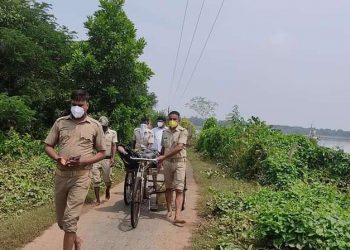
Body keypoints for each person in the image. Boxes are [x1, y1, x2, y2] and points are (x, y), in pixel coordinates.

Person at [44, 89, 106, 250]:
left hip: (81, 176)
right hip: (61, 175)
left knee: (70, 220)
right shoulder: (60, 122)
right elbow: (48, 145)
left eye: (80, 105)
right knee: (61, 222)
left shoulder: (95, 126)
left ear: (87, 106)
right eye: (73, 104)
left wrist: (84, 161)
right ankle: (76, 241)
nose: (76, 107)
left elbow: (102, 152)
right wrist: (58, 157)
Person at [157, 111, 188, 224]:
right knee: (168, 187)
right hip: (167, 163)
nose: (172, 121)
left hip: (179, 162)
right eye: (171, 118)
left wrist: (163, 156)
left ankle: (177, 216)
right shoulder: (165, 132)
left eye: (175, 119)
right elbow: (162, 147)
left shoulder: (183, 131)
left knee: (179, 189)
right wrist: (160, 159)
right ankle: (169, 210)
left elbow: (179, 147)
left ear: (179, 120)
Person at [91, 116, 118, 205]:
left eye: (103, 126)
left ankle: (107, 190)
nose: (102, 127)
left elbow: (114, 146)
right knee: (96, 180)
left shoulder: (113, 133)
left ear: (107, 125)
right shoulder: (95, 132)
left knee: (108, 180)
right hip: (96, 158)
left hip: (107, 159)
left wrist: (112, 159)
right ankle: (98, 199)